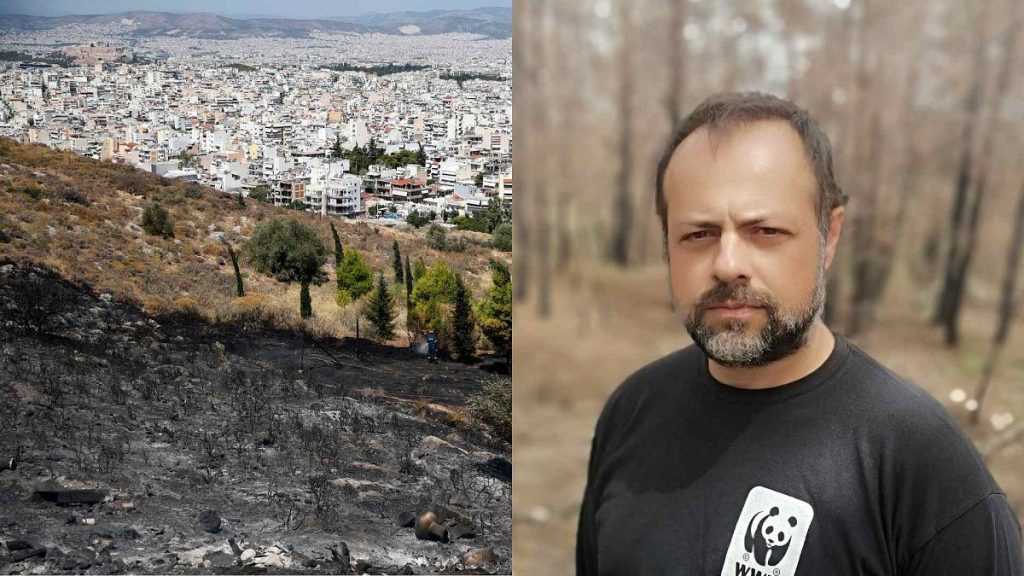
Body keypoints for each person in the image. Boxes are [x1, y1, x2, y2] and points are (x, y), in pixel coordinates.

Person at [575, 92, 1024, 576]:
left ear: (828, 236)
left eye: (765, 231)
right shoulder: (631, 410)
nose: (728, 264)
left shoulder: (918, 462)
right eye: (699, 234)